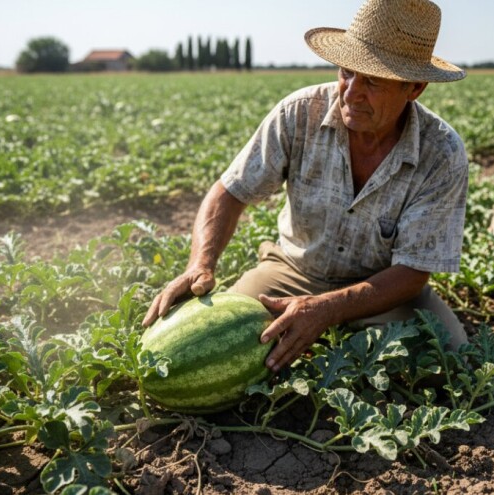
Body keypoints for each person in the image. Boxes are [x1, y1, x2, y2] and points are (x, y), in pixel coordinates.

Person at [142, 0, 469, 373]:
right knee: (211, 346)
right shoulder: (298, 113)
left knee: (447, 358)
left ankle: (334, 333)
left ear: (415, 88)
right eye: (346, 72)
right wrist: (199, 264)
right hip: (294, 271)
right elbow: (230, 192)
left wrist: (329, 309)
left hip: (381, 288)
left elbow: (412, 272)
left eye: (373, 82)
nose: (350, 93)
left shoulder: (441, 152)